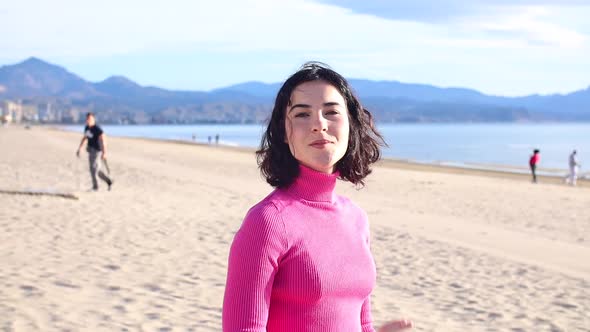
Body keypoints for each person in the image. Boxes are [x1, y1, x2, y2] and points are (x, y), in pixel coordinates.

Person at [222, 62, 412, 332]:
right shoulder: (268, 222)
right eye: (302, 115)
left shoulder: (356, 218)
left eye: (331, 112)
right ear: (284, 133)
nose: (319, 125)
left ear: (350, 125)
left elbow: (362, 323)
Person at [76, 112, 113, 191]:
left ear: (93, 119)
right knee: (97, 169)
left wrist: (104, 152)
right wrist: (80, 148)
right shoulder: (87, 128)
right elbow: (85, 138)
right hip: (90, 150)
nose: (88, 120)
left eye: (90, 119)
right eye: (87, 119)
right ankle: (109, 181)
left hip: (97, 151)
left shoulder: (97, 128)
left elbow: (103, 140)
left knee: (93, 168)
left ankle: (96, 187)